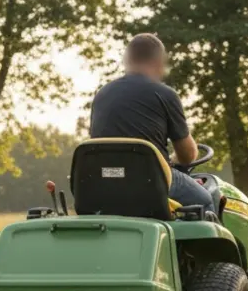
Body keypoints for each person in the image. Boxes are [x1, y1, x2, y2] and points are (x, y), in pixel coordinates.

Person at [89, 34, 218, 218]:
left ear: (127, 60)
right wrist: (172, 160)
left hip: (106, 182)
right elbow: (188, 155)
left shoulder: (102, 94)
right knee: (204, 198)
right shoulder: (164, 94)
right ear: (159, 62)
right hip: (150, 182)